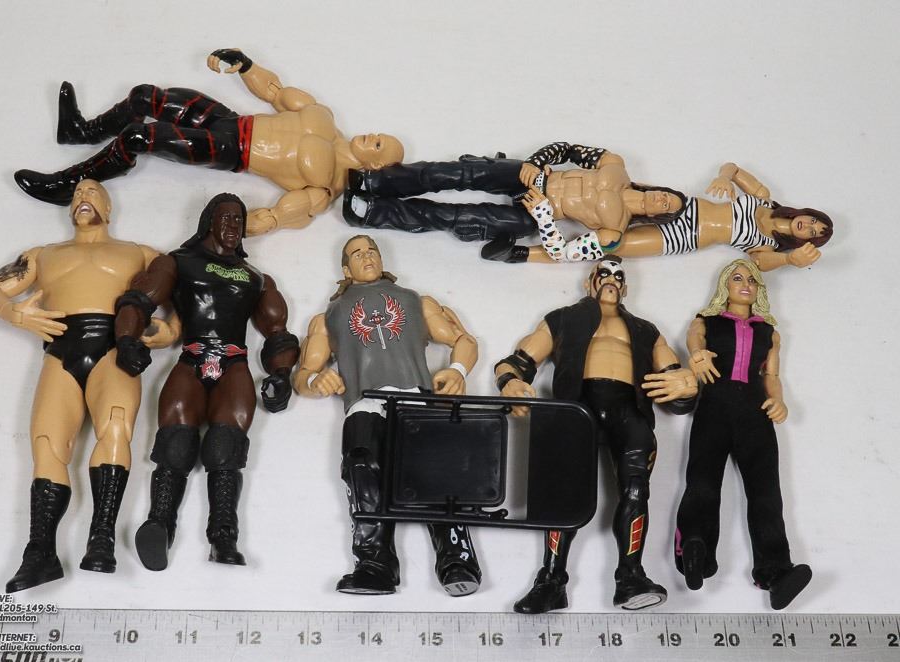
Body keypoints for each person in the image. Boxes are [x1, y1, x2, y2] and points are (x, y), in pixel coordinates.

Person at [0, 180, 162, 592]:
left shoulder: (139, 254)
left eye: (92, 192)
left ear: (109, 207)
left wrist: (167, 331)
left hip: (114, 347)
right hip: (60, 349)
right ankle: (40, 551)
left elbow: (180, 299)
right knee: (46, 444)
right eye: (77, 193)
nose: (82, 197)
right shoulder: (42, 255)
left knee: (116, 428)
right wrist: (13, 314)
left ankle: (102, 535)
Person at [14, 49, 404, 236]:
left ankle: (68, 185)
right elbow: (275, 91)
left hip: (233, 151)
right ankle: (81, 132)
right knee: (145, 96)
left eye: (379, 146)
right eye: (379, 135)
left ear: (375, 166)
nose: (373, 137)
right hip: (229, 121)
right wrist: (246, 65)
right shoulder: (322, 116)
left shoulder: (325, 186)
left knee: (139, 136)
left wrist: (234, 231)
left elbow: (278, 215)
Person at [495, 256, 698, 612]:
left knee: (636, 489)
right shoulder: (562, 319)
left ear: (625, 287)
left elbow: (675, 385)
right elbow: (517, 362)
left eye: (619, 275)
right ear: (589, 281)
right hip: (577, 406)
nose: (611, 279)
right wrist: (509, 382)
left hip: (629, 409)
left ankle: (631, 576)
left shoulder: (646, 331)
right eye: (604, 273)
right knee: (562, 493)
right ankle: (551, 580)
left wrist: (687, 386)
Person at [113, 193, 299, 570]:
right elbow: (138, 300)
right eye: (226, 218)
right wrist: (127, 340)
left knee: (225, 449)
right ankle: (160, 525)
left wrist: (282, 374)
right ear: (208, 221)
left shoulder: (256, 278)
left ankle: (223, 537)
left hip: (233, 362)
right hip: (192, 357)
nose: (233, 225)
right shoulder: (178, 261)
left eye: (239, 220)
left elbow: (277, 332)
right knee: (175, 443)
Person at [293, 235, 482, 596]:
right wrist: (317, 380)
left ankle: (456, 559)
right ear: (345, 268)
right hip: (364, 402)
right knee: (360, 467)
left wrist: (457, 369)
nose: (366, 256)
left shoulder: (416, 301)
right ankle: (374, 564)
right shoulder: (327, 317)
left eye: (372, 251)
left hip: (415, 397)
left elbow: (464, 340)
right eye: (356, 253)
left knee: (434, 471)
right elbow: (303, 375)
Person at [674, 259, 812, 610]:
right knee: (703, 481)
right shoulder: (706, 321)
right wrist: (697, 355)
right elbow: (695, 340)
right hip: (714, 407)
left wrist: (778, 400)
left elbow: (772, 376)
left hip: (755, 413)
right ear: (725, 285)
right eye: (737, 278)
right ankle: (694, 547)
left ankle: (775, 571)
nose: (745, 284)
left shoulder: (770, 332)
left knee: (766, 493)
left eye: (752, 280)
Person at [487, 162, 832, 271]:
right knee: (613, 196)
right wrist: (724, 178)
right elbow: (733, 167)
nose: (810, 226)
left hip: (681, 238)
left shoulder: (769, 245)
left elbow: (759, 263)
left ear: (805, 240)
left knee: (608, 246)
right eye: (815, 220)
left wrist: (790, 261)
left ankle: (521, 254)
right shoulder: (764, 198)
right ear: (806, 212)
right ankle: (523, 183)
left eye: (814, 233)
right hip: (683, 207)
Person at [343, 141, 685, 249]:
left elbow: (564, 252)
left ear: (658, 216)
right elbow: (567, 149)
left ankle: (373, 212)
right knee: (456, 172)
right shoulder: (615, 166)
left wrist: (545, 216)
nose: (661, 199)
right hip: (535, 177)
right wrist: (536, 162)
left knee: (458, 217)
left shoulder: (614, 231)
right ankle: (376, 181)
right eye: (666, 195)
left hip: (535, 213)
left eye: (667, 206)